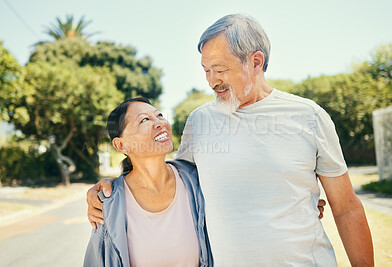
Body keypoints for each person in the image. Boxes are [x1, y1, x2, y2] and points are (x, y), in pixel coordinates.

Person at [87, 14, 373, 266]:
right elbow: (168, 177)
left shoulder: (309, 116)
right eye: (206, 70)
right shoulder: (199, 121)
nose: (211, 81)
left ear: (256, 62)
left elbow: (346, 207)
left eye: (220, 69)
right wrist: (113, 185)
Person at [84, 97, 213, 266]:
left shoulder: (196, 181)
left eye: (159, 115)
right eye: (144, 120)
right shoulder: (110, 205)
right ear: (121, 145)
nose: (159, 123)